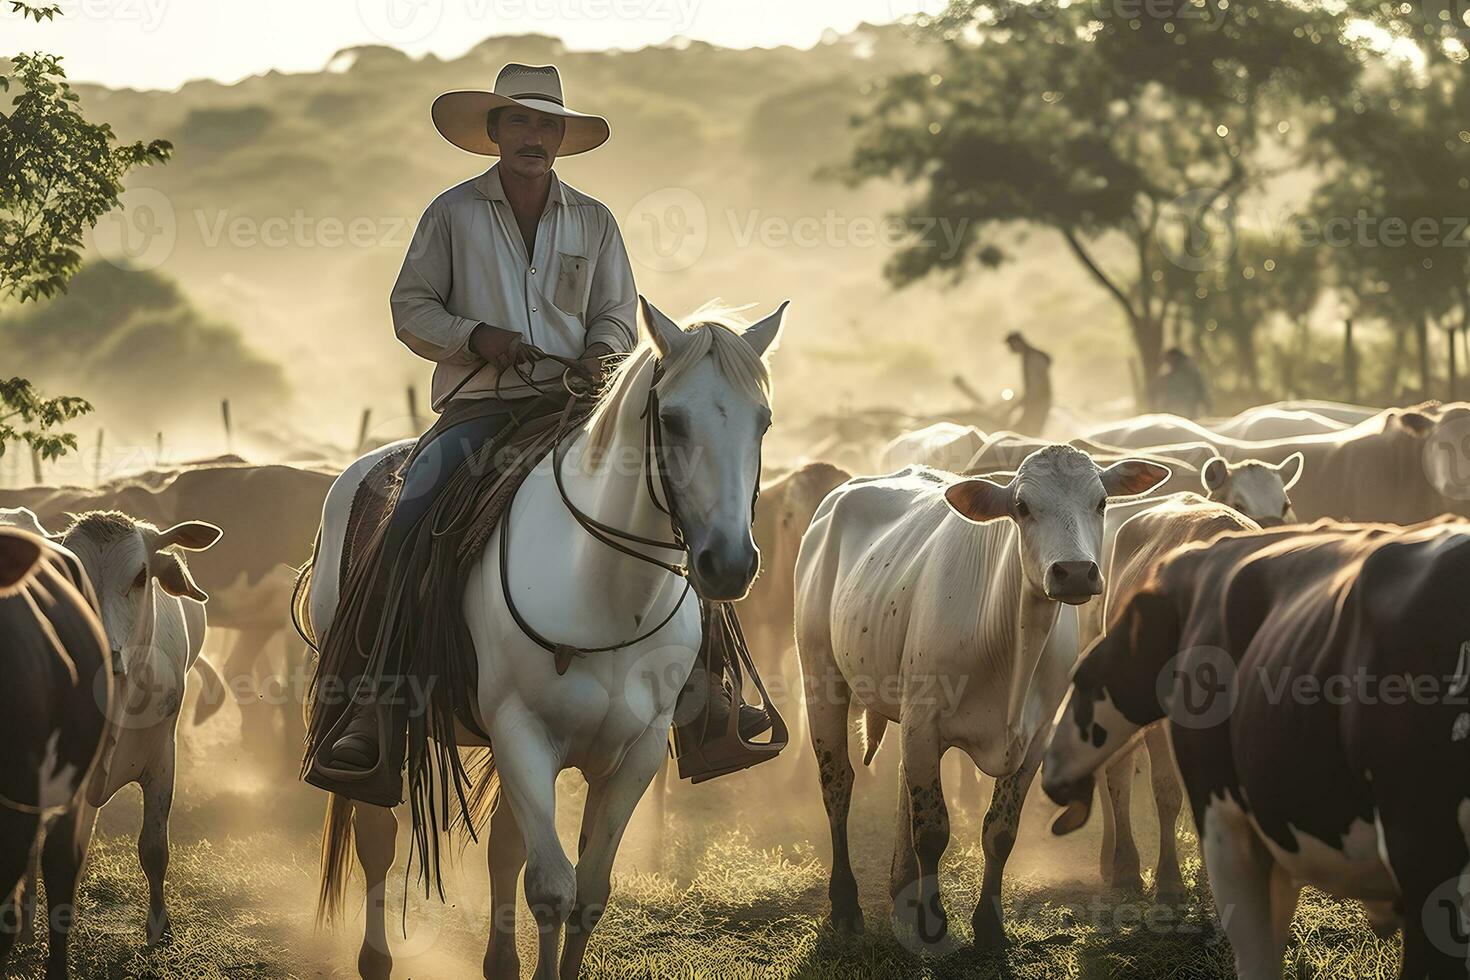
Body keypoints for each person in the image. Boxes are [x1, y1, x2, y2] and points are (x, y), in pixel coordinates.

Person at [304, 63, 766, 805]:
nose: (535, 136)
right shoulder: (451, 214)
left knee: (678, 507)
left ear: (561, 139)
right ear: (494, 133)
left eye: (547, 125)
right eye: (519, 122)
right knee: (409, 518)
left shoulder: (596, 220)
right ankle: (373, 707)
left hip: (578, 409)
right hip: (478, 411)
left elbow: (619, 310)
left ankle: (708, 694)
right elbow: (410, 308)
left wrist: (599, 353)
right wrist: (475, 335)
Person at [1004, 331, 1053, 436]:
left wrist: (1018, 405)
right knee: (1023, 430)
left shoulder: (1034, 358)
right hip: (1035, 402)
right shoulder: (1028, 357)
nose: (1010, 349)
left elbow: (1036, 387)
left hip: (1039, 402)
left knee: (1029, 432)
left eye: (1011, 345)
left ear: (1017, 343)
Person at [1154, 347, 1211, 418]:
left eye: (1169, 359)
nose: (1168, 362)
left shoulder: (1189, 370)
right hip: (1175, 407)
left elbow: (1200, 388)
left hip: (1187, 406)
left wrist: (1205, 404)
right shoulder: (1169, 372)